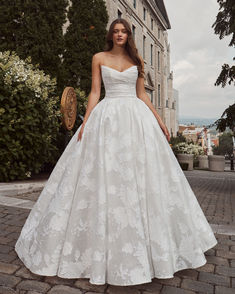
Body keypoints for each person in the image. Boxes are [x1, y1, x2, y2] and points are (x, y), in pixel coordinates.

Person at [15, 18, 217, 286]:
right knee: (103, 176)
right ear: (111, 35)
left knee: (141, 176)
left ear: (128, 35)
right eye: (116, 31)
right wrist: (86, 122)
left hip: (136, 120)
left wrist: (159, 121)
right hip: (107, 118)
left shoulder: (137, 61)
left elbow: (143, 95)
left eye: (123, 31)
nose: (119, 34)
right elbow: (95, 92)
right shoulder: (98, 57)